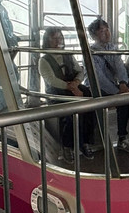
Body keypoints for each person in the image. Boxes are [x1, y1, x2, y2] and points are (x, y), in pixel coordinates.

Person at [38, 27, 96, 162]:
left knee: (90, 106)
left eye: (60, 38)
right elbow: (51, 80)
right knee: (70, 112)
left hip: (73, 88)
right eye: (54, 38)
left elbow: (80, 71)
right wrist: (71, 88)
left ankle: (85, 141)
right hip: (56, 93)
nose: (58, 41)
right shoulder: (44, 60)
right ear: (47, 41)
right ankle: (68, 145)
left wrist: (76, 83)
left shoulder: (68, 55)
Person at [86, 17, 129, 153]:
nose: (107, 33)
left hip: (112, 86)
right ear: (94, 36)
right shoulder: (91, 52)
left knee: (125, 99)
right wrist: (117, 91)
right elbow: (98, 78)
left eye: (107, 30)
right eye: (102, 31)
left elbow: (120, 67)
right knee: (124, 99)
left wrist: (123, 83)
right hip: (95, 87)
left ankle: (122, 137)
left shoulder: (112, 48)